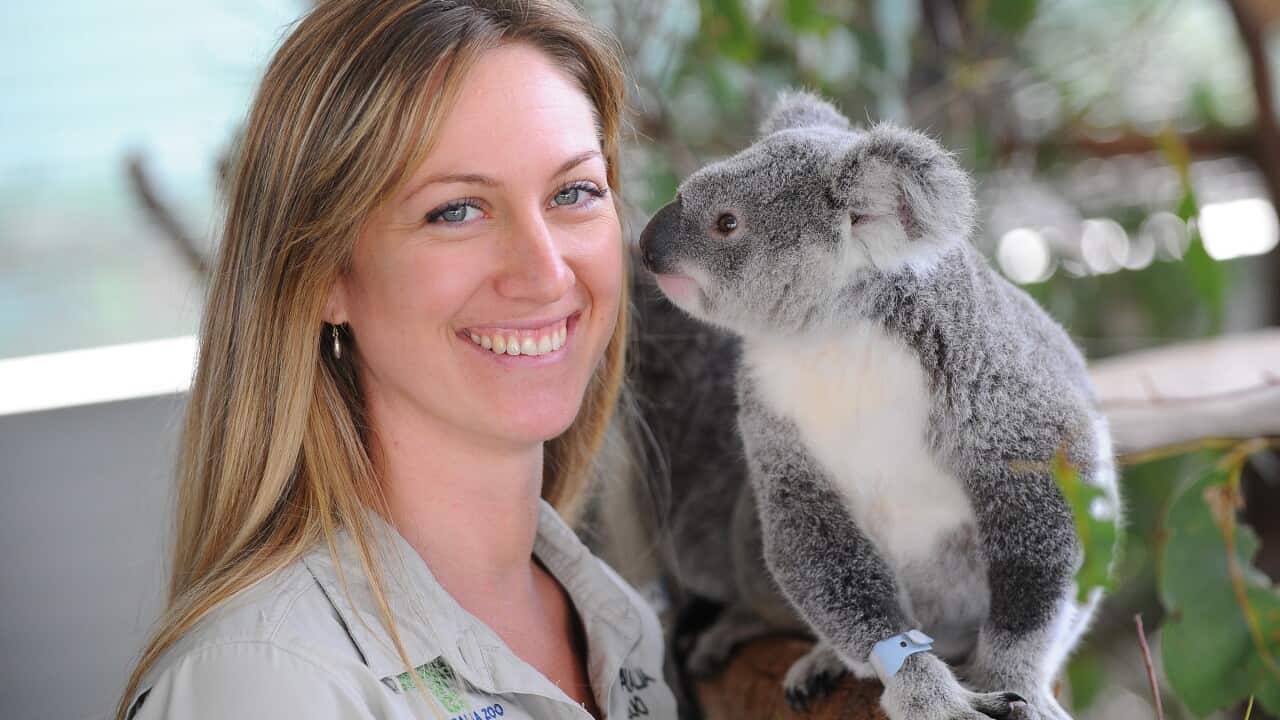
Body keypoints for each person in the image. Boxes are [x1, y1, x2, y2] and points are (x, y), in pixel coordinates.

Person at [115, 1, 677, 718]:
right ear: (323, 275)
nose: (546, 273)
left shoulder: (620, 626)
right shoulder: (268, 682)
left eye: (574, 192)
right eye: (456, 210)